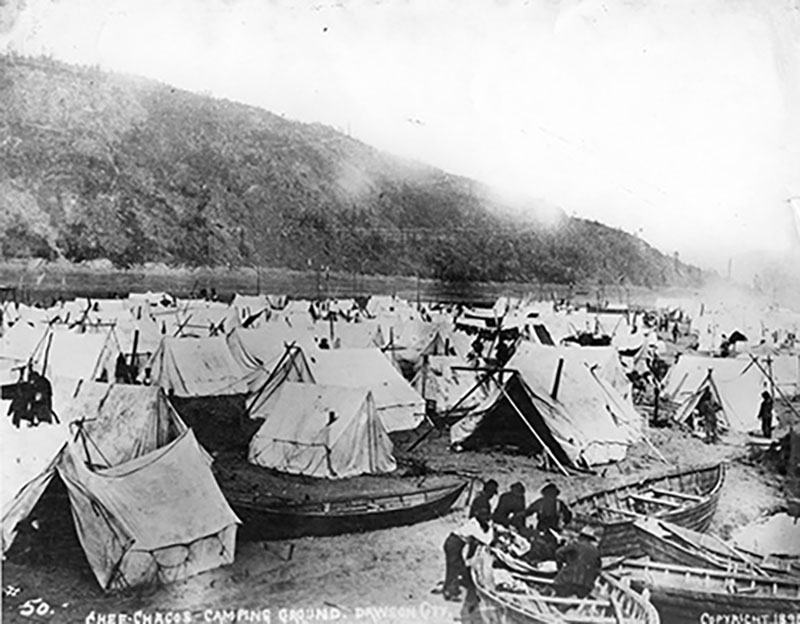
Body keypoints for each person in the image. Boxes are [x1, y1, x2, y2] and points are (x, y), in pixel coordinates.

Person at [442, 509, 494, 601]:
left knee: (459, 565)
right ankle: (449, 592)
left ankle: (457, 585)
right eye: (485, 518)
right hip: (454, 544)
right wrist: (491, 528)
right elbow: (487, 540)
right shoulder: (473, 527)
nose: (486, 520)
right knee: (453, 568)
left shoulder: (474, 521)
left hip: (453, 542)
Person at [552, 526, 602, 598]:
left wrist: (560, 566)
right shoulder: (596, 551)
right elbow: (598, 568)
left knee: (559, 592)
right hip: (585, 587)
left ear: (581, 537)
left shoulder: (576, 545)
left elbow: (558, 553)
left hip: (567, 581)